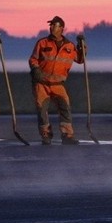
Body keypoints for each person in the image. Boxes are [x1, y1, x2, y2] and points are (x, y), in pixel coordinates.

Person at [29, 16, 86, 145]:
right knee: (42, 110)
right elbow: (33, 59)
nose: (51, 27)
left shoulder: (70, 47)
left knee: (65, 107)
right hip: (41, 83)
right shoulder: (42, 43)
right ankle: (46, 135)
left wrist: (82, 46)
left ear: (61, 28)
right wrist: (36, 70)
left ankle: (67, 135)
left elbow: (81, 60)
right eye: (51, 25)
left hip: (58, 83)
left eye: (54, 25)